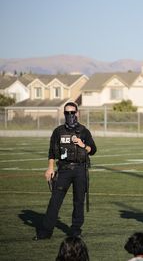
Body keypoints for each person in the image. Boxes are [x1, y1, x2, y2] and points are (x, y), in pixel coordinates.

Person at [33, 102, 97, 240]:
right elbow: (52, 152)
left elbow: (93, 150)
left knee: (78, 201)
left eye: (72, 112)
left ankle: (75, 230)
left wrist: (82, 144)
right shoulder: (58, 131)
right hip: (64, 170)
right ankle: (45, 231)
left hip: (80, 170)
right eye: (67, 113)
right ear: (64, 114)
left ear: (77, 113)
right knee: (55, 201)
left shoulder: (84, 131)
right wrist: (50, 168)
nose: (70, 115)